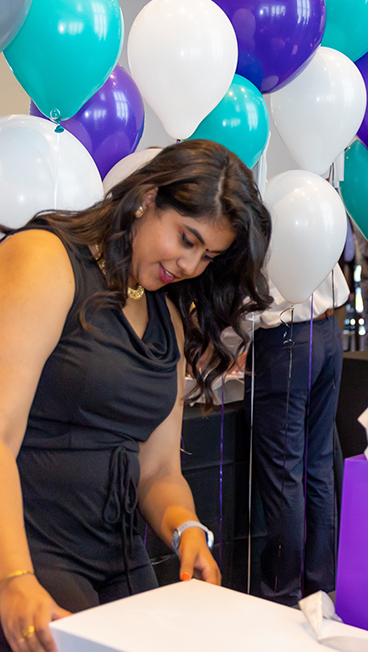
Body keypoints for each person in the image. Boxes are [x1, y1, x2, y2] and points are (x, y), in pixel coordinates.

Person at [0, 140, 272, 652]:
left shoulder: (165, 315)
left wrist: (185, 528)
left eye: (208, 256)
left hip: (119, 557)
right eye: (186, 239)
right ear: (147, 198)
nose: (191, 266)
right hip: (29, 550)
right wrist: (11, 578)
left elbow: (159, 470)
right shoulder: (45, 259)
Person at [245, 267, 348, 606]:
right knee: (316, 466)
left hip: (286, 337)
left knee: (286, 473)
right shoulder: (324, 209)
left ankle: (283, 592)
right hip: (327, 329)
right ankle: (320, 589)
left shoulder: (264, 212)